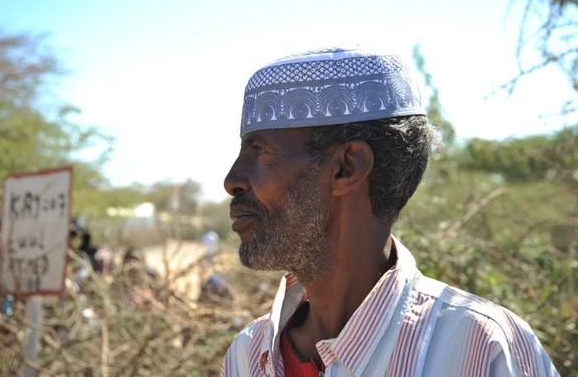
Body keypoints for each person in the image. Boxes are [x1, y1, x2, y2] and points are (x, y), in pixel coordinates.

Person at [221, 48, 559, 376]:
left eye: (260, 151)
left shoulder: (483, 349)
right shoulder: (247, 356)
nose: (232, 180)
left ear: (347, 167)